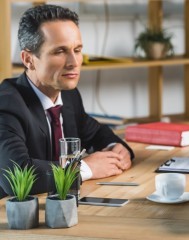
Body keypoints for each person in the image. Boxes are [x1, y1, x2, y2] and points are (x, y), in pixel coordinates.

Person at [0, 4, 134, 199]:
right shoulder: (7, 104)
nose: (74, 62)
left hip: (61, 207)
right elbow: (17, 175)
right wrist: (85, 168)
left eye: (77, 50)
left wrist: (116, 148)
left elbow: (96, 132)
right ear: (28, 59)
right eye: (60, 51)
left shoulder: (68, 95)